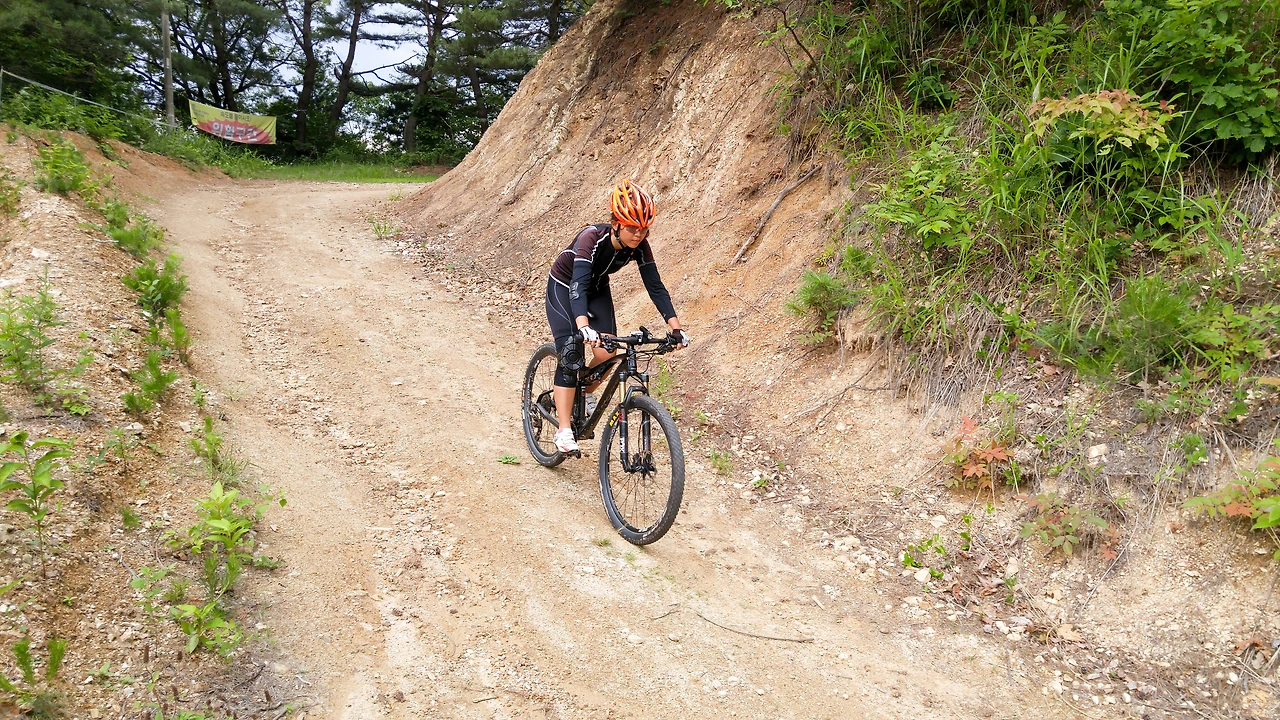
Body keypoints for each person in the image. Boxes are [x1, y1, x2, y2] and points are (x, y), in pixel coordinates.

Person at [545, 180, 688, 454]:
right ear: (615, 223)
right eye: (632, 227)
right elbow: (578, 285)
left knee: (608, 351)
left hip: (597, 287)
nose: (639, 234)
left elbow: (655, 287)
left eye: (644, 229)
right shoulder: (591, 238)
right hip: (565, 285)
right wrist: (583, 326)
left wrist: (676, 328)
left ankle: (583, 392)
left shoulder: (640, 245)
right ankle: (563, 430)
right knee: (571, 353)